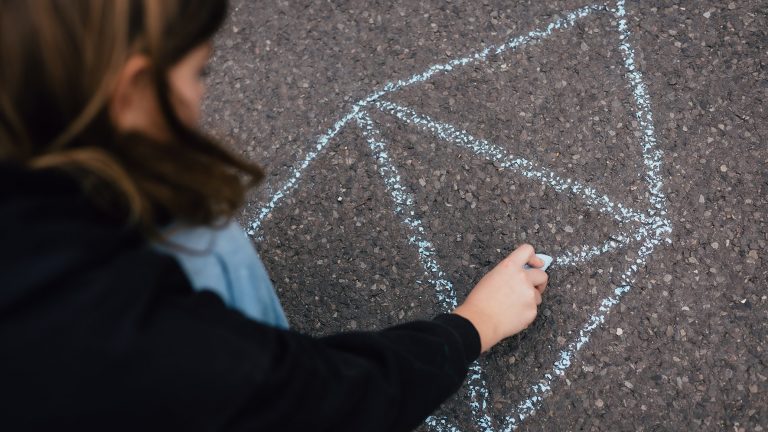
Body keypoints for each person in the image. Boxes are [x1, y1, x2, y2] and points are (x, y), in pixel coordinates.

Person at [0, 1, 549, 431]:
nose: (201, 93)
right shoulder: (130, 340)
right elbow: (327, 406)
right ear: (132, 91)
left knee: (192, 220)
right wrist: (476, 325)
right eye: (200, 71)